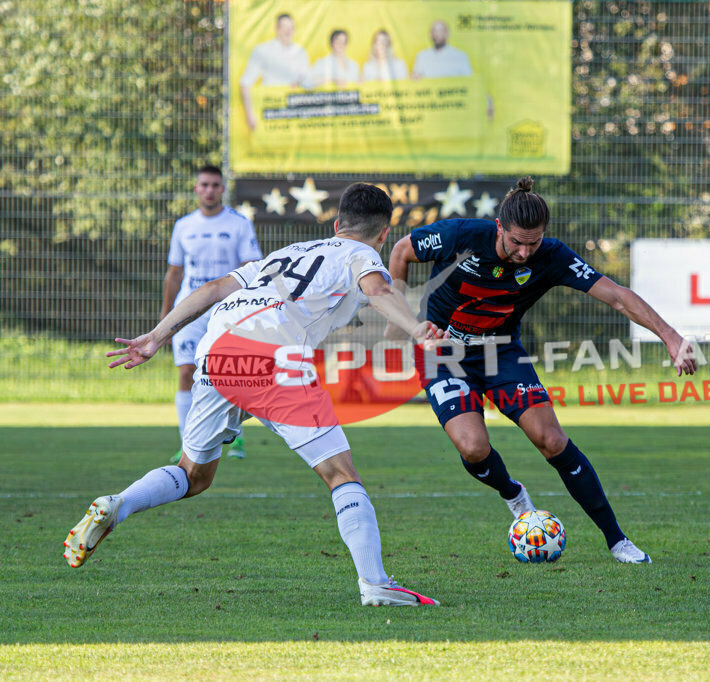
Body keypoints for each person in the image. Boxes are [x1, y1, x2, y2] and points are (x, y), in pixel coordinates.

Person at [64, 184, 443, 607]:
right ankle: (375, 584)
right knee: (341, 474)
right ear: (383, 234)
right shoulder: (363, 255)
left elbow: (210, 290)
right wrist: (416, 329)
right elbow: (379, 290)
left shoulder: (287, 253)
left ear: (337, 224)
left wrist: (156, 336)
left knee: (194, 475)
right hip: (272, 359)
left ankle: (119, 504)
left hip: (216, 352)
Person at [388, 177, 696, 564]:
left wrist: (670, 336)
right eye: (516, 241)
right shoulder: (461, 235)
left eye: (533, 242)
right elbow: (401, 250)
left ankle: (617, 540)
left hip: (501, 352)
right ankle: (513, 494)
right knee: (473, 447)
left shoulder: (550, 256)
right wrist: (399, 317)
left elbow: (617, 296)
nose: (524, 251)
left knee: (551, 439)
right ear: (499, 227)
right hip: (441, 355)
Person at [162, 165, 262, 464]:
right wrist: (165, 317)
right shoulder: (184, 226)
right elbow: (174, 273)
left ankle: (234, 433)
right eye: (204, 184)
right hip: (190, 308)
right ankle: (186, 443)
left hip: (227, 309)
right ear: (196, 188)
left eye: (214, 185)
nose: (209, 190)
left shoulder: (240, 224)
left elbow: (252, 269)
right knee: (185, 372)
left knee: (230, 373)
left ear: (222, 189)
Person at [240, 13, 311, 130]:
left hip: (295, 116)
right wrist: (250, 115)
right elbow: (245, 83)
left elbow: (309, 84)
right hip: (270, 115)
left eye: (291, 28)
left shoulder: (301, 53)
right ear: (277, 29)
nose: (288, 31)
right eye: (284, 28)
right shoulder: (262, 51)